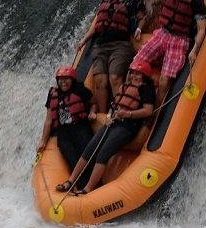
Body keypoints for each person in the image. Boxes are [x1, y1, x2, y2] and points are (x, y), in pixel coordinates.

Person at [56, 60, 155, 194]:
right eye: (132, 73)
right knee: (90, 149)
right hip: (113, 122)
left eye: (138, 74)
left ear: (144, 76)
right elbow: (114, 105)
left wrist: (128, 113)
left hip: (127, 126)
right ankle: (71, 181)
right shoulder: (125, 87)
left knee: (103, 153)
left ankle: (88, 188)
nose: (134, 77)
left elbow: (148, 110)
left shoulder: (146, 89)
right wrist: (109, 117)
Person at [132, 0, 206, 105]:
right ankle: (134, 101)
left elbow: (201, 29)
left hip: (179, 41)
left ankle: (155, 113)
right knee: (135, 65)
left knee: (164, 81)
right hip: (162, 34)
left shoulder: (197, 1)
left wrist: (194, 50)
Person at [76, 0, 146, 114]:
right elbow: (96, 26)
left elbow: (142, 17)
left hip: (120, 45)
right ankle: (103, 115)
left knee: (115, 77)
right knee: (100, 80)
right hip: (101, 46)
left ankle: (119, 110)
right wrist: (83, 40)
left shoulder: (129, 3)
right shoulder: (104, 3)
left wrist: (139, 29)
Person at [36, 66, 97, 190]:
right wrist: (43, 140)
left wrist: (92, 112)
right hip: (63, 133)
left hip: (81, 128)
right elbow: (49, 120)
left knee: (87, 157)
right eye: (61, 80)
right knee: (72, 159)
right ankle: (77, 186)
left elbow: (93, 103)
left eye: (66, 79)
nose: (63, 82)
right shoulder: (53, 94)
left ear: (72, 80)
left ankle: (92, 185)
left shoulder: (80, 90)